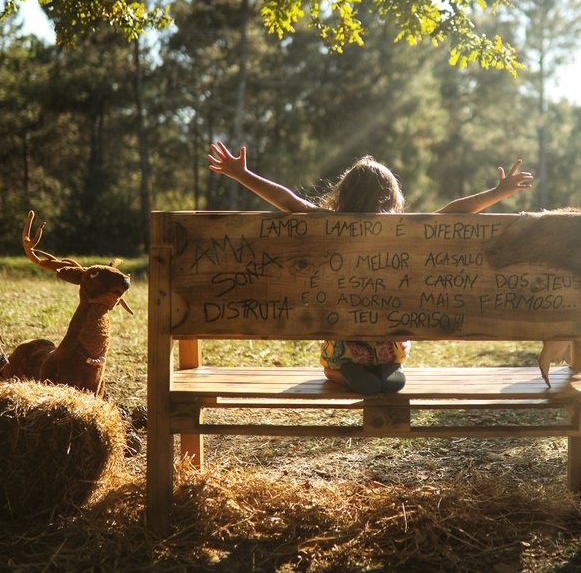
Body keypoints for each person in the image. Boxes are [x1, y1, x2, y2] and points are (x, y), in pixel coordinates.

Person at [206, 140, 534, 394]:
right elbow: (455, 211)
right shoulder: (405, 229)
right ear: (392, 197)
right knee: (387, 341)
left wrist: (242, 174)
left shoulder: (329, 224)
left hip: (345, 343)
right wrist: (498, 192)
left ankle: (343, 372)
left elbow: (291, 202)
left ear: (343, 194)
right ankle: (388, 366)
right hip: (390, 341)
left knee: (331, 366)